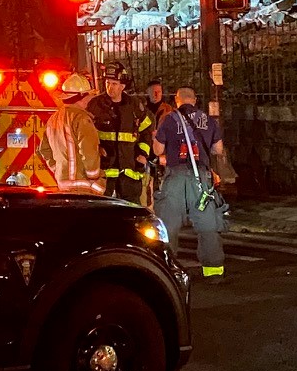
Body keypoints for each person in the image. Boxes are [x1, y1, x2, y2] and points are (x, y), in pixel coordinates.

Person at [154, 87, 226, 280]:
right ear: (195, 100)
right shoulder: (207, 120)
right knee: (207, 222)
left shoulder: (169, 119)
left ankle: (167, 270)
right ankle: (213, 271)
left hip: (175, 177)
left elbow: (157, 148)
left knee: (169, 223)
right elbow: (218, 149)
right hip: (200, 177)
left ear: (177, 100)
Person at [85, 63, 152, 205]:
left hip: (130, 170)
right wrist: (96, 149)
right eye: (108, 83)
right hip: (105, 171)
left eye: (114, 83)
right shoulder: (95, 105)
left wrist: (142, 153)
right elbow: (86, 133)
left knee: (131, 210)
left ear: (123, 86)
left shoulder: (134, 105)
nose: (110, 87)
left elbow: (146, 129)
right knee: (102, 208)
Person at [43, 73, 103, 193]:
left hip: (63, 184)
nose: (90, 99)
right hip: (83, 185)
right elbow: (88, 150)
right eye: (89, 95)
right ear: (82, 97)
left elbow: (43, 150)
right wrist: (95, 176)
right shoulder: (81, 118)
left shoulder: (53, 118)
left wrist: (59, 170)